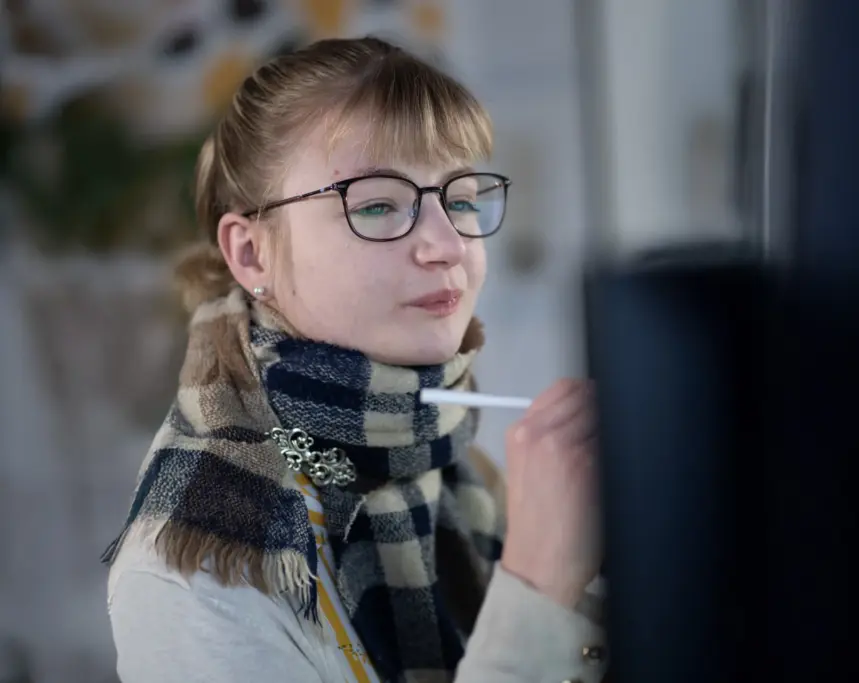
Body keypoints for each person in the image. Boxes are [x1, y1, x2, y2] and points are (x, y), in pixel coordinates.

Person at [103, 36, 607, 683]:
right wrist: (538, 581)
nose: (448, 244)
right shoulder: (197, 565)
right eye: (376, 205)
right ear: (252, 254)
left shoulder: (455, 464)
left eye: (459, 199)